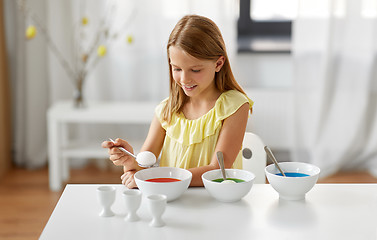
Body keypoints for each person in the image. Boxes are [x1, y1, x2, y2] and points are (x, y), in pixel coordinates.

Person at [101, 14, 253, 188]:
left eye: (195, 70)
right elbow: (145, 164)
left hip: (215, 201)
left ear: (218, 64)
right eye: (177, 69)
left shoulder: (235, 106)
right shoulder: (166, 109)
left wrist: (160, 179)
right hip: (170, 201)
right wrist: (129, 160)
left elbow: (217, 170)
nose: (184, 79)